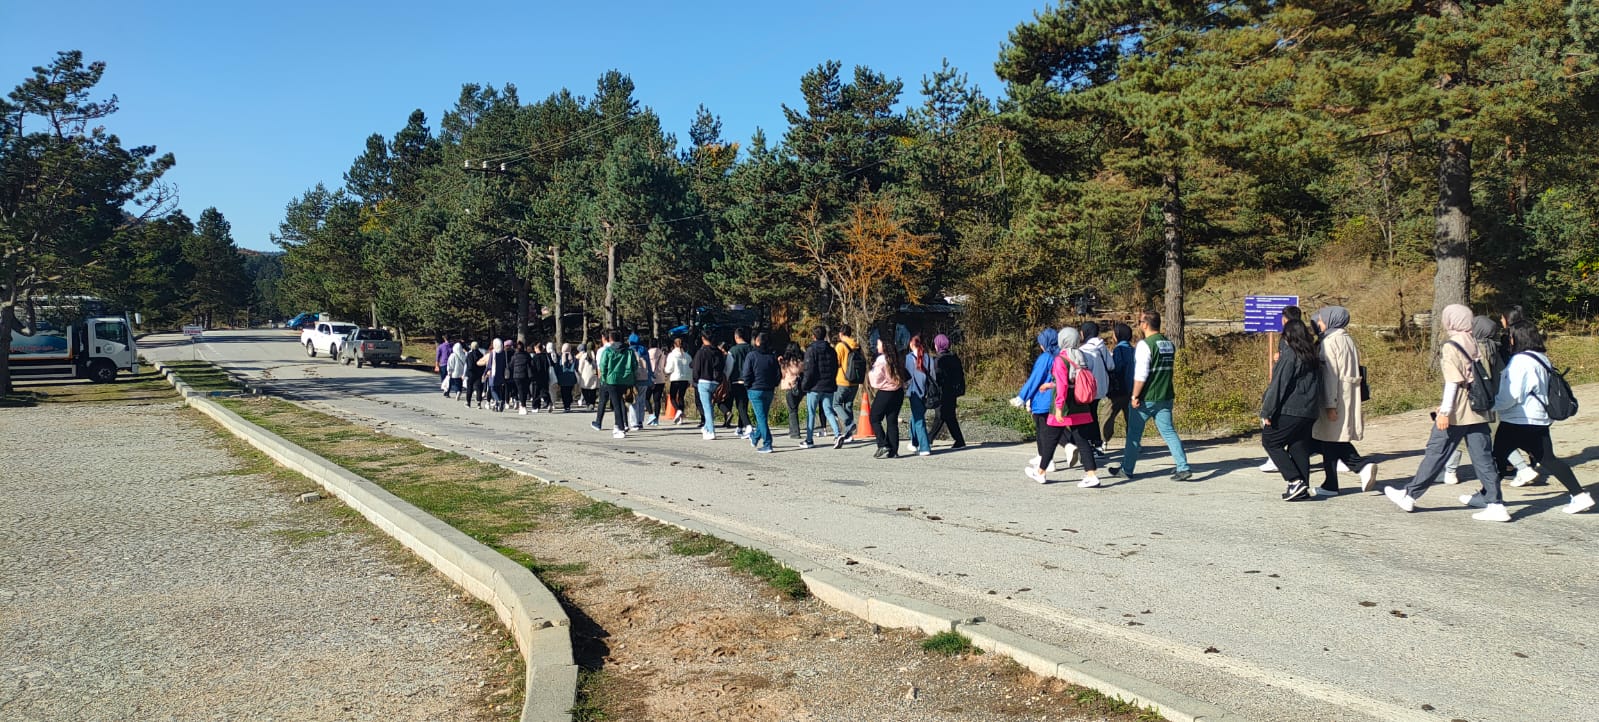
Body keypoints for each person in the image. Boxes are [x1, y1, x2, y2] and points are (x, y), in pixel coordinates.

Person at [1385, 304, 1508, 521]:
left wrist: (1444, 412)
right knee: (1483, 458)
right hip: (1477, 409)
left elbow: (1453, 381)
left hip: (1458, 411)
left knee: (1436, 452)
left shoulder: (1452, 345)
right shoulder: (1473, 341)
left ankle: (1410, 495)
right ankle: (1495, 502)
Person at [1487, 321, 1592, 513]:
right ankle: (1579, 495)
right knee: (1547, 459)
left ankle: (1492, 503)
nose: (1508, 339)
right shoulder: (1541, 358)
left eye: (1510, 336)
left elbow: (1512, 394)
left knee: (1497, 460)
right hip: (1539, 418)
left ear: (1517, 338)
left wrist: (1490, 405)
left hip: (1518, 419)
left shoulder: (1520, 361)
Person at [1439, 316, 1538, 486]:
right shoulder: (1495, 348)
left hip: (1474, 399)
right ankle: (1522, 468)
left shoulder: (1474, 348)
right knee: (1488, 435)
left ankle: (1450, 471)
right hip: (1493, 399)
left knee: (1460, 434)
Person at [1113, 312, 1191, 481]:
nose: (1139, 324)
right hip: (1165, 395)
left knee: (1134, 434)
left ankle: (1126, 469)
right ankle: (1183, 466)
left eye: (1140, 322)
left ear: (1145, 325)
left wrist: (1134, 395)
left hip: (1147, 397)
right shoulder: (1168, 343)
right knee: (1169, 432)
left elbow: (1141, 375)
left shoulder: (1145, 345)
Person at [1311, 306, 1379, 494]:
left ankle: (1360, 466)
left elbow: (1331, 375)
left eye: (1321, 320)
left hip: (1335, 397)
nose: (1318, 323)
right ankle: (1330, 483)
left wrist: (1330, 404)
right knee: (1331, 441)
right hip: (1347, 394)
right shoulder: (1347, 339)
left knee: (1331, 439)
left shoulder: (1330, 342)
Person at [1026, 327, 1102, 486]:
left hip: (1065, 405)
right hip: (1081, 404)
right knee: (1082, 440)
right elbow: (1073, 380)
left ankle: (1040, 472)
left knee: (1049, 439)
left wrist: (1059, 408)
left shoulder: (1060, 359)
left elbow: (1062, 385)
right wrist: (1049, 385)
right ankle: (1091, 475)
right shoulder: (1082, 356)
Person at [1260, 319, 1323, 501]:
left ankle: (1294, 480)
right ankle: (1301, 488)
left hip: (1290, 409)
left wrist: (1267, 411)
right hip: (1309, 411)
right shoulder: (1312, 355)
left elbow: (1278, 385)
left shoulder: (1290, 355)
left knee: (1270, 441)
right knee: (1298, 446)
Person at [1013, 328, 1067, 473]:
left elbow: (1035, 379)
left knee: (1044, 431)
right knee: (1050, 430)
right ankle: (1045, 456)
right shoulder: (1062, 355)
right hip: (1057, 398)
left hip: (1043, 399)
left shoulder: (1045, 357)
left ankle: (1046, 461)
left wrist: (1022, 397)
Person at [799, 325, 840, 449]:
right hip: (828, 385)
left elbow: (809, 370)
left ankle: (809, 439)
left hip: (814, 386)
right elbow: (835, 367)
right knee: (828, 410)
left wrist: (804, 385)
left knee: (811, 412)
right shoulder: (831, 350)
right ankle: (838, 434)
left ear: (814, 336)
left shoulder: (811, 350)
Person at [868, 337, 908, 459]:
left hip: (886, 391)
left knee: (874, 417)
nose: (876, 346)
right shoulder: (897, 358)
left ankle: (882, 443)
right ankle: (894, 450)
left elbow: (875, 378)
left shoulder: (881, 360)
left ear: (884, 346)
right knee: (892, 420)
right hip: (898, 391)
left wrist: (870, 373)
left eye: (878, 344)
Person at [1077, 321, 1113, 454]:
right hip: (1102, 388)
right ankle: (1097, 443)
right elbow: (1111, 366)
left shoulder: (1084, 350)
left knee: (1087, 416)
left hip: (1088, 389)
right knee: (1093, 415)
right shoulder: (1102, 347)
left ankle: (1091, 445)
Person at [592, 330, 635, 438]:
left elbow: (603, 366)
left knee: (616, 404)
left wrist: (604, 378)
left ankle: (620, 428)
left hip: (611, 380)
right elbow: (634, 364)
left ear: (610, 339)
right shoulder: (629, 351)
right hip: (625, 379)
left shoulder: (608, 351)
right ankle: (621, 425)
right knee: (620, 402)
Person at [742, 332, 780, 453]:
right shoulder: (772, 357)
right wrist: (774, 384)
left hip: (755, 389)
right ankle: (755, 437)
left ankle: (768, 443)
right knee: (762, 416)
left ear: (757, 342)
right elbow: (778, 374)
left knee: (761, 417)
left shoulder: (752, 355)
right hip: (768, 390)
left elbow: (746, 373)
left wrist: (747, 385)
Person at [926, 334, 966, 448]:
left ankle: (929, 438)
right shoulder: (954, 357)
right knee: (950, 415)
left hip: (942, 391)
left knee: (941, 415)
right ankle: (959, 440)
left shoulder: (939, 360)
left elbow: (937, 377)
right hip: (953, 391)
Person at [1101, 323, 1135, 448]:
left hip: (1119, 389)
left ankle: (1103, 440)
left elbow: (1117, 367)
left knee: (1107, 415)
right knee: (1130, 418)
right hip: (1132, 390)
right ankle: (1133, 442)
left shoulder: (1118, 350)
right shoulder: (1133, 349)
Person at [833, 324, 864, 444]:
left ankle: (849, 424)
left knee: (836, 403)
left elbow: (836, 363)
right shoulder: (856, 346)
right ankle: (849, 434)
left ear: (841, 334)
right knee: (848, 405)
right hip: (855, 381)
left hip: (842, 380)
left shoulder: (840, 346)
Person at [904, 334, 933, 456]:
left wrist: (905, 388)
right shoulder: (929, 358)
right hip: (926, 392)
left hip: (914, 391)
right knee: (916, 416)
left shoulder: (909, 358)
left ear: (911, 344)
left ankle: (924, 446)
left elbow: (908, 376)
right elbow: (932, 376)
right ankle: (914, 442)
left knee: (919, 420)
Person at [692, 331, 725, 440]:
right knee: (710, 406)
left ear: (703, 339)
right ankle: (706, 427)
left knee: (707, 407)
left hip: (703, 381)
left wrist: (695, 380)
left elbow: (696, 368)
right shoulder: (718, 352)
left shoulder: (701, 352)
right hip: (716, 382)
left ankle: (711, 430)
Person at [727, 328, 754, 437]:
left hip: (736, 380)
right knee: (744, 404)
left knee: (739, 405)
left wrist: (726, 378)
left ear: (736, 337)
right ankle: (739, 427)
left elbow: (729, 366)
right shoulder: (751, 349)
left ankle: (748, 426)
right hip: (749, 381)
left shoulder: (733, 350)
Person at [780, 342, 805, 439]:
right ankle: (792, 429)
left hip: (790, 387)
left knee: (792, 410)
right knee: (795, 408)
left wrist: (780, 363)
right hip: (800, 387)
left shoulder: (786, 363)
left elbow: (782, 374)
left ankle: (795, 432)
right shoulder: (801, 361)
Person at [665, 336, 693, 424]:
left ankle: (678, 411)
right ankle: (680, 417)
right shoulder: (687, 356)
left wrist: (665, 370)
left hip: (675, 378)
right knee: (681, 397)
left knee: (673, 397)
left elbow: (669, 369)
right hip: (685, 379)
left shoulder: (672, 355)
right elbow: (690, 368)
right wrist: (690, 380)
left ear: (674, 345)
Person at [648, 338, 668, 425]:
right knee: (657, 400)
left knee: (646, 398)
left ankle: (651, 414)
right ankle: (656, 419)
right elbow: (664, 365)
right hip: (661, 378)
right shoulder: (662, 354)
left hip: (651, 378)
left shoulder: (648, 353)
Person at [509, 340, 533, 415]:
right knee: (525, 390)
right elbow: (531, 364)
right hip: (526, 375)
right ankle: (523, 405)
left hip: (517, 375)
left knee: (520, 390)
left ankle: (523, 406)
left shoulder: (514, 356)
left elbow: (511, 366)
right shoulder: (527, 355)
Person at [463, 341, 486, 409]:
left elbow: (468, 365)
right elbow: (483, 364)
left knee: (469, 388)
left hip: (471, 373)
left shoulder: (470, 355)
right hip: (479, 373)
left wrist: (466, 372)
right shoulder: (481, 355)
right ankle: (479, 403)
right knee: (479, 388)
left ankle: (468, 402)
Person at [577, 342, 600, 409]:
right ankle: (592, 403)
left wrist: (579, 373)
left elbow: (580, 366)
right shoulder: (596, 355)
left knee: (585, 390)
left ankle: (588, 403)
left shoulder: (584, 355)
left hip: (585, 375)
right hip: (594, 375)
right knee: (593, 390)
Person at [557, 343, 578, 412]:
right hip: (571, 378)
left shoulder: (560, 357)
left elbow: (558, 367)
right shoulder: (573, 357)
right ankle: (568, 404)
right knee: (569, 392)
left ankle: (566, 406)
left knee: (564, 392)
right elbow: (576, 366)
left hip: (562, 378)